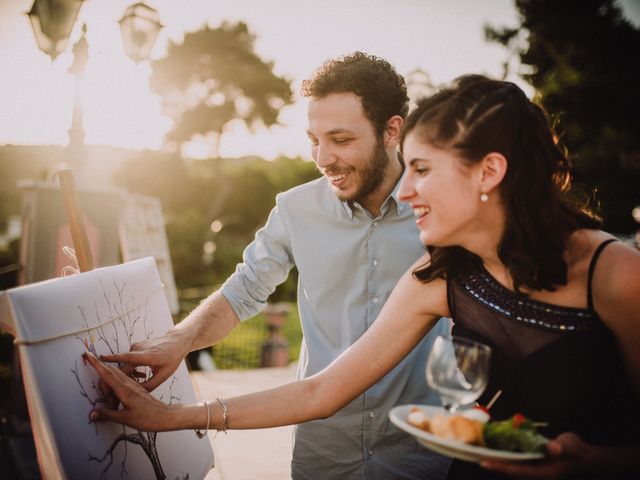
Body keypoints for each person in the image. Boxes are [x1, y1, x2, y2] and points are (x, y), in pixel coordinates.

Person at [87, 75, 640, 479]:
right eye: (314, 139)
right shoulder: (439, 276)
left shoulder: (614, 275)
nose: (406, 192)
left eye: (422, 170)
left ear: (489, 172)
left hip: (423, 462)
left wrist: (592, 463)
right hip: (336, 457)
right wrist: (175, 406)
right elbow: (320, 385)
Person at [100, 51, 451, 480]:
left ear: (392, 130)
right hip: (323, 454)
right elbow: (243, 289)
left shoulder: (442, 212)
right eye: (314, 139)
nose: (322, 159)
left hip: (423, 451)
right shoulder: (294, 209)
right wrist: (179, 341)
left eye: (340, 140)